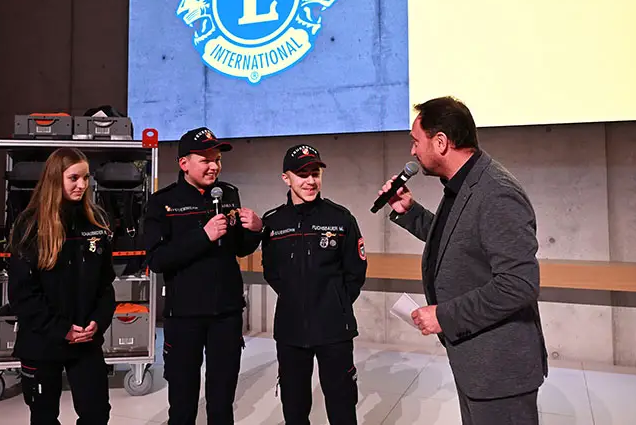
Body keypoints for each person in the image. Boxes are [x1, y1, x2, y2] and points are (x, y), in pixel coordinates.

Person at [382, 96, 547, 425]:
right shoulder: (463, 184)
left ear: (440, 142)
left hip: (500, 370)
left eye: (416, 141)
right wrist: (410, 212)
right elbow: (456, 242)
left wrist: (443, 315)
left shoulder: (496, 192)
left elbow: (518, 285)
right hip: (478, 364)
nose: (413, 151)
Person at [143, 127, 263, 425]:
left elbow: (239, 248)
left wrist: (255, 231)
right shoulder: (162, 202)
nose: (214, 166)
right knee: (182, 403)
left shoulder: (228, 194)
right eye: (205, 160)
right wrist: (203, 236)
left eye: (217, 159)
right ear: (184, 163)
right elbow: (157, 259)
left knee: (222, 401)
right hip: (184, 316)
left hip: (226, 313)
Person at [8, 148, 115, 425]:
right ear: (55, 179)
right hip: (42, 342)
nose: (82, 185)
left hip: (86, 341)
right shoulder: (30, 225)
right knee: (44, 416)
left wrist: (98, 321)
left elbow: (106, 285)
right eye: (74, 178)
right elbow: (22, 293)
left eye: (86, 177)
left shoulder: (96, 222)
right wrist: (61, 329)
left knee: (97, 413)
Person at [261, 144, 367, 425]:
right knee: (294, 407)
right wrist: (295, 297)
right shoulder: (273, 222)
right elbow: (271, 271)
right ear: (286, 178)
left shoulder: (340, 218)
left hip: (334, 329)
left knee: (342, 406)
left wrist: (335, 303)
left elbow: (355, 271)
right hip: (290, 330)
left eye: (315, 173)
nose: (310, 181)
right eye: (302, 174)